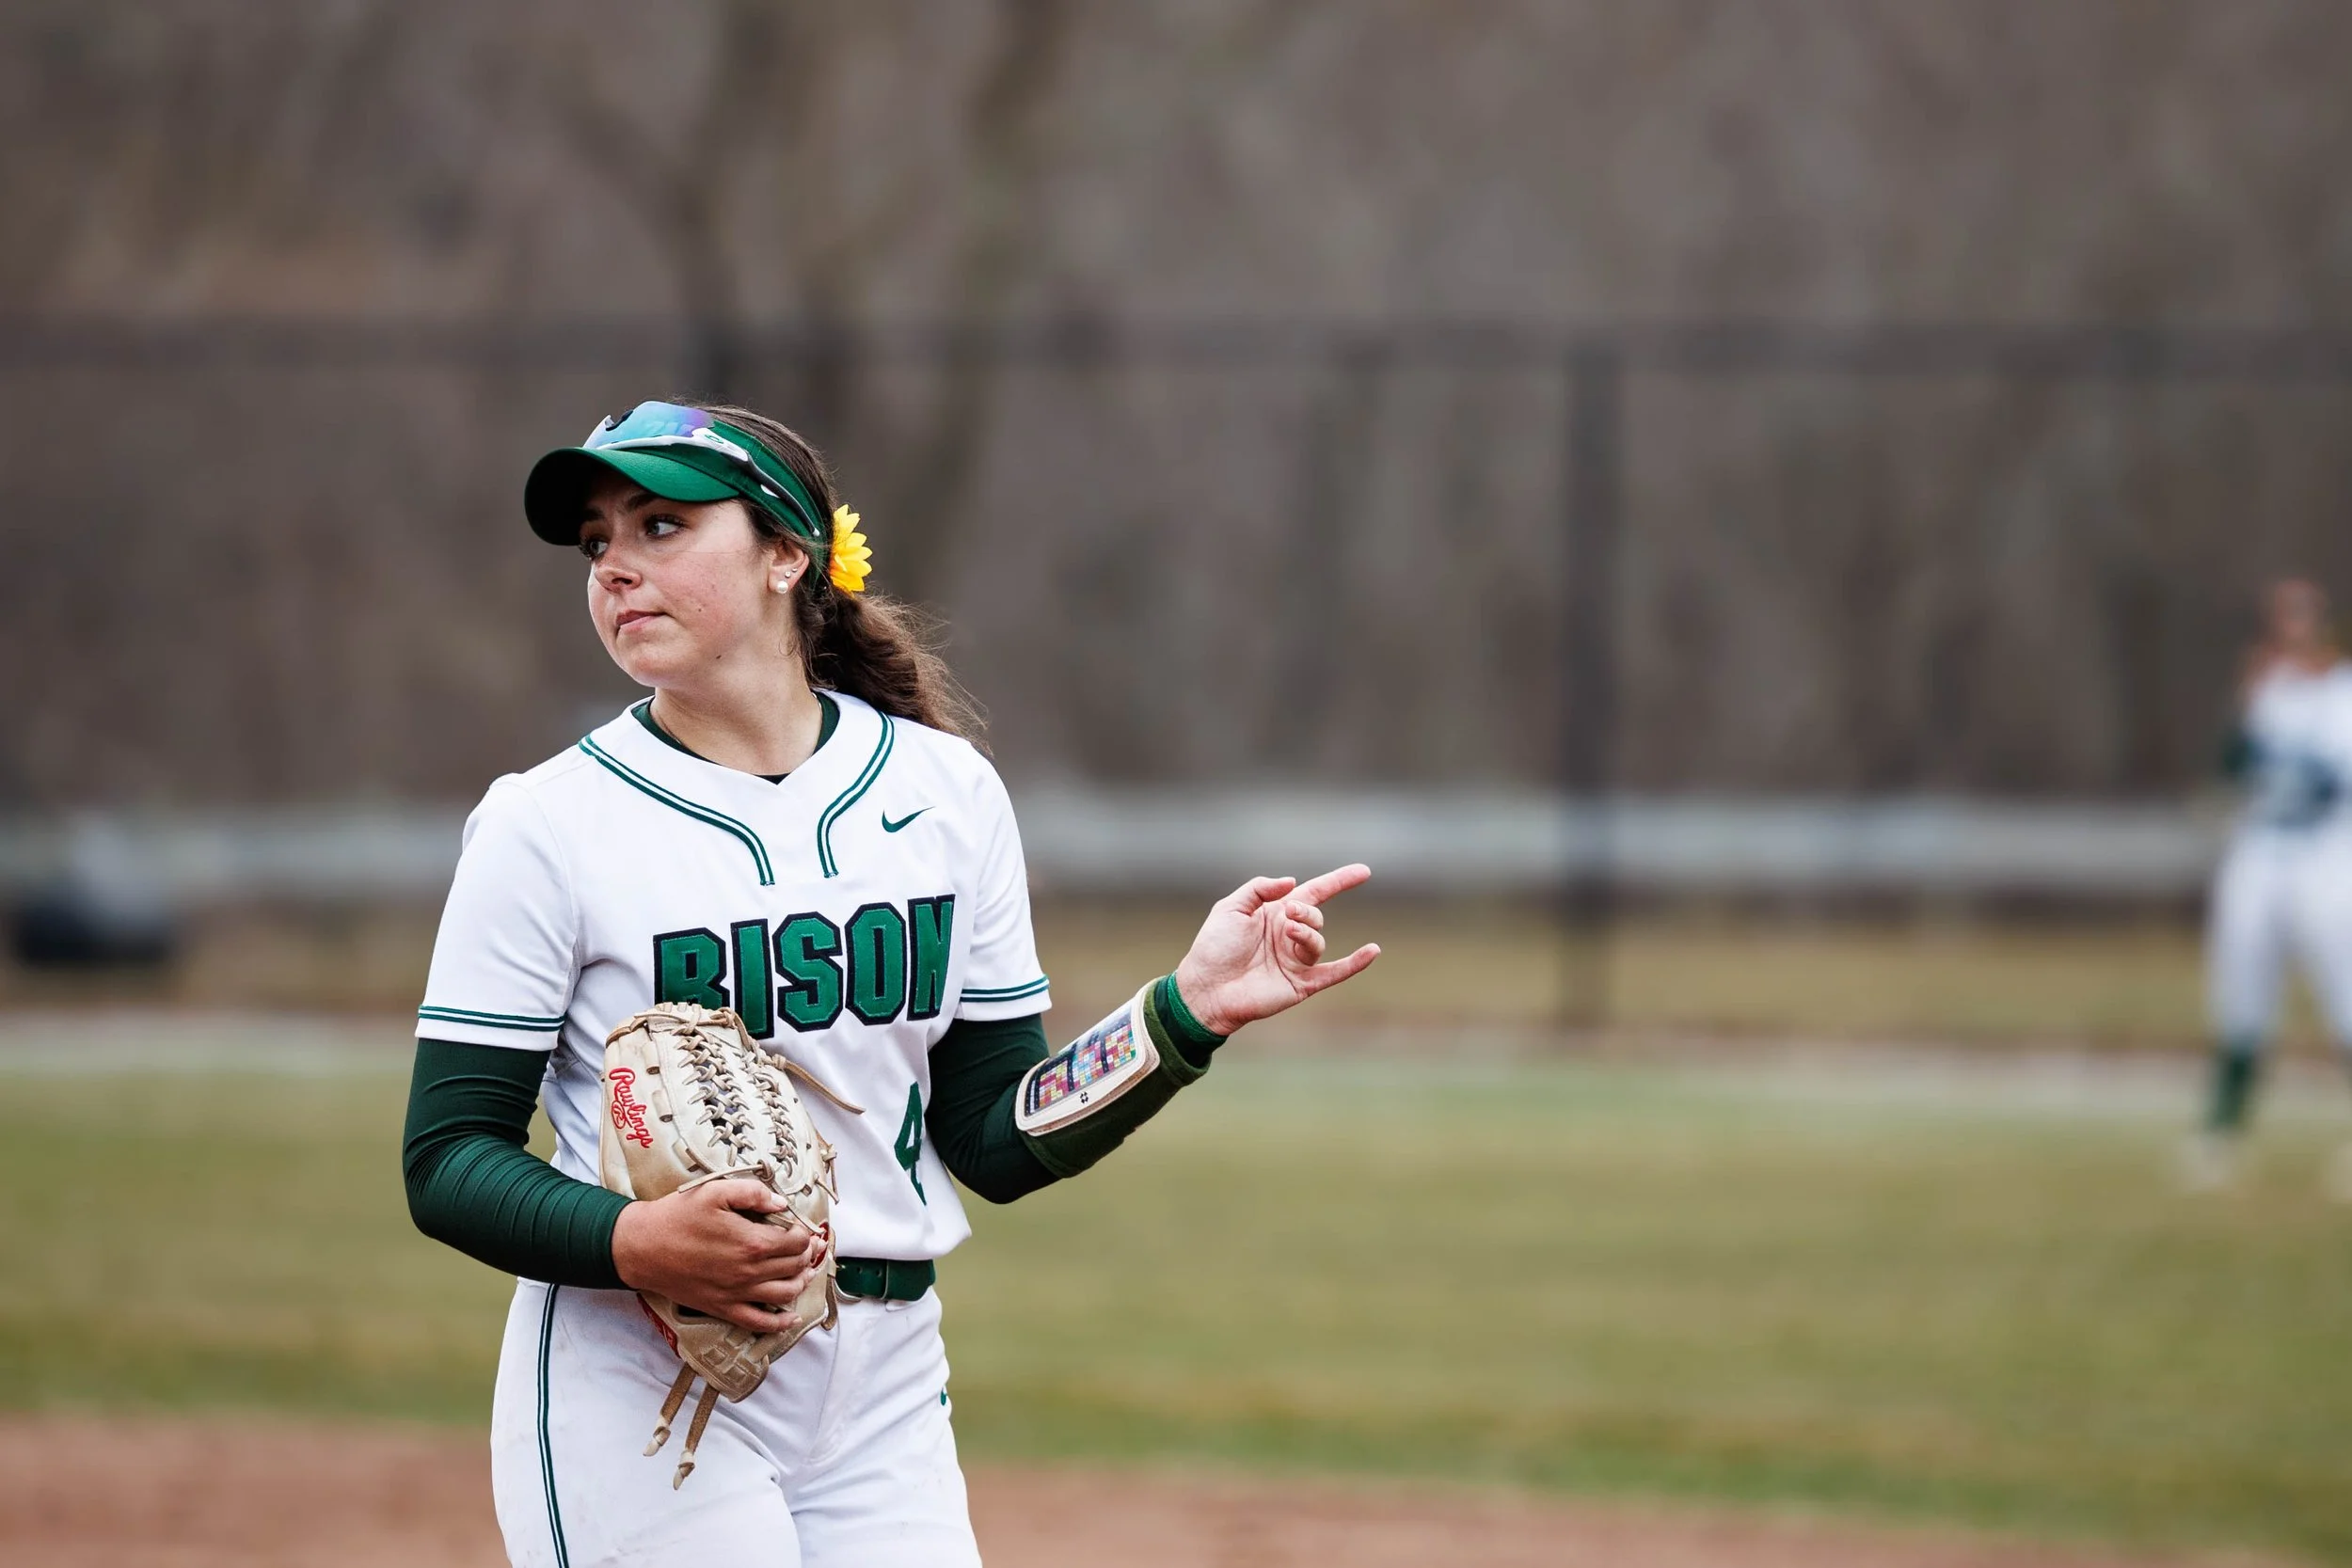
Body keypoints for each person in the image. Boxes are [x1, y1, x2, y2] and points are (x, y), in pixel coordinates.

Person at [401, 401, 1381, 1566]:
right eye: (596, 540)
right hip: (638, 1378)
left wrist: (1184, 1012)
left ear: (786, 554)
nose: (615, 565)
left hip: (884, 1380)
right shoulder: (547, 823)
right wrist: (636, 1237)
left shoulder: (943, 791)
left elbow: (993, 1135)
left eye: (661, 524)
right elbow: (447, 1157)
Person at [2185, 577, 2352, 1195]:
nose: (2293, 632)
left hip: (2326, 856)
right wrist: (2246, 700)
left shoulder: (2342, 695)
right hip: (2261, 855)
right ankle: (2220, 1132)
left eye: (2304, 619)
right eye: (2284, 620)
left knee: (2345, 993)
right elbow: (2233, 768)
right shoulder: (2269, 690)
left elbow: (2321, 784)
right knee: (2241, 991)